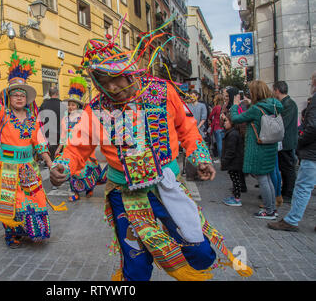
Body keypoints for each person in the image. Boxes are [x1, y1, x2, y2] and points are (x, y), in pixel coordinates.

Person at [50, 37, 252, 281]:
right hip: (124, 195)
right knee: (136, 264)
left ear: (128, 72)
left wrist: (200, 158)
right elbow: (77, 147)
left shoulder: (162, 91)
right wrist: (63, 166)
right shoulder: (96, 109)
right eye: (104, 82)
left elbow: (187, 129)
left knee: (197, 249)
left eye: (114, 78)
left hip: (165, 187)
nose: (112, 87)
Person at [0, 51, 60, 248]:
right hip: (7, 168)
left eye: (22, 95)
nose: (19, 98)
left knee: (34, 199)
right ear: (8, 97)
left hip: (28, 167)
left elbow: (40, 143)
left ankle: (27, 229)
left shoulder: (32, 118)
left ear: (27, 99)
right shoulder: (2, 115)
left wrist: (50, 163)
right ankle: (11, 234)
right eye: (15, 94)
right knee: (10, 203)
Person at [268, 72, 316, 231]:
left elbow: (312, 127)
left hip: (309, 150)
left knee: (301, 184)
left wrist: (300, 142)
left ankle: (292, 219)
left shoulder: (294, 104)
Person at [230, 80, 283, 219]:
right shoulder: (274, 105)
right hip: (270, 146)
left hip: (259, 148)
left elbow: (236, 118)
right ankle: (272, 209)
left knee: (263, 179)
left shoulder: (255, 110)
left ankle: (269, 211)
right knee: (268, 178)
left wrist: (235, 105)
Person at [54, 75, 106, 202]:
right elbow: (63, 135)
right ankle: (75, 192)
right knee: (73, 172)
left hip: (84, 149)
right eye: (69, 105)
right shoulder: (65, 119)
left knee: (88, 172)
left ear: (78, 106)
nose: (71, 107)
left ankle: (89, 188)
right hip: (70, 148)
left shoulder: (84, 117)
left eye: (73, 105)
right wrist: (59, 148)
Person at [273, 81, 298, 203]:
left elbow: (283, 123)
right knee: (284, 167)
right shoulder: (285, 103)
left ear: (277, 90)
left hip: (286, 142)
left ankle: (289, 193)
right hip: (283, 141)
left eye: (274, 90)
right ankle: (284, 191)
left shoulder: (289, 104)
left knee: (288, 167)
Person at [221, 113, 244, 207]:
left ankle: (237, 199)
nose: (224, 123)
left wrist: (225, 161)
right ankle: (235, 196)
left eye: (226, 121)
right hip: (234, 162)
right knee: (235, 179)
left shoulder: (233, 134)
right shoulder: (232, 132)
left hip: (235, 162)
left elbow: (231, 150)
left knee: (236, 180)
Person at [39, 86, 63, 162]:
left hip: (49, 136)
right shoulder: (63, 104)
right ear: (58, 93)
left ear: (49, 94)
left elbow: (40, 120)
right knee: (60, 159)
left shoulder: (44, 104)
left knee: (51, 160)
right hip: (61, 137)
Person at [208, 94, 225, 161]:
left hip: (217, 127)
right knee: (223, 143)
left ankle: (220, 158)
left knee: (219, 143)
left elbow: (210, 116)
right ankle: (223, 158)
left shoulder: (216, 107)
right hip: (223, 126)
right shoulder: (223, 107)